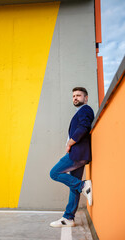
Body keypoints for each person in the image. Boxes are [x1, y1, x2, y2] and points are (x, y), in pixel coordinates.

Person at [50, 87, 94, 228]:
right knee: (72, 186)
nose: (75, 98)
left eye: (79, 95)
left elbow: (83, 127)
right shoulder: (79, 111)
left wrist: (70, 143)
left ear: (85, 98)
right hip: (79, 154)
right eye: (74, 96)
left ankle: (83, 185)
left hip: (77, 153)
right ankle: (68, 218)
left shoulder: (85, 110)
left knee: (54, 173)